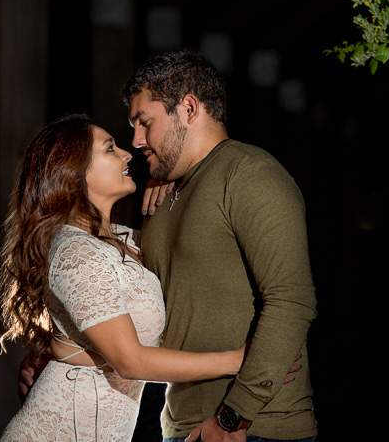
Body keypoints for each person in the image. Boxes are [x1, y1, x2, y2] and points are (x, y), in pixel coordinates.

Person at [0, 114, 250, 442]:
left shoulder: (124, 240)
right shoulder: (75, 252)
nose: (127, 154)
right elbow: (130, 361)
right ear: (73, 174)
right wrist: (237, 361)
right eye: (109, 149)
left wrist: (171, 183)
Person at [122, 49, 317, 442]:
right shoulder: (163, 194)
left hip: (256, 429)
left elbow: (292, 301)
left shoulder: (249, 174)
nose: (136, 140)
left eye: (145, 123)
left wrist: (234, 418)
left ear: (189, 108)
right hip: (180, 427)